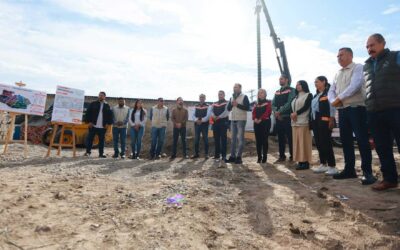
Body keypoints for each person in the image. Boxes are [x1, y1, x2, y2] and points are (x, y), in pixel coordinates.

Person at [328, 47, 377, 185]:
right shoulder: (337, 73)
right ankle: (349, 169)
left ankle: (367, 172)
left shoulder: (358, 67)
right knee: (346, 141)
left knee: (362, 140)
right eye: (337, 56)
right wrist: (333, 101)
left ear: (350, 55)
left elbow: (355, 86)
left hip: (357, 108)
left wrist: (339, 98)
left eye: (341, 55)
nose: (338, 58)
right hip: (343, 110)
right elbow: (331, 90)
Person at [364, 33, 400, 191]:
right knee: (382, 147)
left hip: (395, 108)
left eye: (372, 45)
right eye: (367, 47)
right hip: (375, 111)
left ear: (382, 43)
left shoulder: (395, 57)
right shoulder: (366, 65)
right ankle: (390, 179)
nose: (369, 49)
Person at [311, 76, 338, 175]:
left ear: (324, 82)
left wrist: (331, 119)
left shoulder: (328, 93)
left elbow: (332, 106)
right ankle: (323, 164)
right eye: (315, 82)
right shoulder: (316, 95)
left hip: (325, 121)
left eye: (317, 82)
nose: (315, 83)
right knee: (319, 143)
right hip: (316, 121)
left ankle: (332, 166)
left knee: (326, 143)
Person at [272, 74, 296, 162]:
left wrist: (280, 112)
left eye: (281, 79)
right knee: (280, 138)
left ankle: (292, 156)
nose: (280, 80)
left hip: (287, 118)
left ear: (286, 80)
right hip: (278, 118)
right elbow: (273, 104)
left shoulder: (291, 90)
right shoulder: (277, 92)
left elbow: (290, 103)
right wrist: (276, 112)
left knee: (290, 138)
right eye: (279, 79)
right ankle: (281, 156)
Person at [290, 80, 313, 170]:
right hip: (295, 122)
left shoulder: (308, 95)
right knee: (297, 142)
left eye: (299, 84)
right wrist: (292, 114)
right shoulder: (295, 97)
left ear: (304, 85)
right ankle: (300, 161)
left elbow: (306, 107)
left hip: (304, 121)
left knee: (304, 142)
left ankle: (305, 162)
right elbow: (292, 108)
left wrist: (296, 113)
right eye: (297, 85)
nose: (297, 86)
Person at [84, 91, 113, 158]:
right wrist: (89, 122)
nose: (100, 96)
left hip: (102, 127)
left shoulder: (107, 105)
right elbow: (88, 113)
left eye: (102, 95)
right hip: (93, 125)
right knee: (90, 139)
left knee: (101, 141)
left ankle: (101, 154)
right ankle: (88, 152)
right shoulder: (93, 104)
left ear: (104, 97)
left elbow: (110, 116)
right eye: (99, 95)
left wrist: (108, 124)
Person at [227, 83, 250, 164]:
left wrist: (237, 105)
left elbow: (247, 107)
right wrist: (231, 104)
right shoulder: (231, 97)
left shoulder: (244, 97)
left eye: (236, 87)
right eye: (234, 87)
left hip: (241, 120)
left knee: (240, 139)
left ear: (240, 88)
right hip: (233, 120)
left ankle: (239, 157)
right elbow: (228, 108)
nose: (234, 88)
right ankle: (232, 156)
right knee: (233, 139)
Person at [252, 88, 272, 163]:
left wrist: (260, 119)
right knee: (258, 141)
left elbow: (268, 112)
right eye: (259, 93)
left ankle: (265, 157)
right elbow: (253, 112)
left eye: (262, 92)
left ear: (265, 94)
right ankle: (259, 157)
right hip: (256, 123)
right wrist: (254, 119)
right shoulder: (256, 104)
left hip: (265, 122)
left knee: (264, 140)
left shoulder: (268, 102)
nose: (260, 94)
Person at [211, 90, 229, 162]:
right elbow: (211, 111)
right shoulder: (214, 103)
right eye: (219, 94)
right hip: (215, 123)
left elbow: (226, 112)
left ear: (224, 95)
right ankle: (217, 155)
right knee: (216, 139)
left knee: (223, 140)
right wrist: (214, 116)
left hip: (223, 123)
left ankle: (224, 156)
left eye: (221, 94)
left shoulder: (227, 103)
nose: (220, 95)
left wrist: (218, 117)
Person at [191, 94, 211, 159]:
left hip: (204, 125)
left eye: (203, 97)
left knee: (205, 139)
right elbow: (193, 115)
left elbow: (208, 116)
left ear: (205, 98)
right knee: (196, 140)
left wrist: (201, 120)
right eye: (200, 97)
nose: (201, 98)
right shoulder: (196, 106)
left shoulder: (208, 106)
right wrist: (197, 120)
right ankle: (196, 154)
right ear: (199, 98)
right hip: (197, 125)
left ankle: (206, 154)